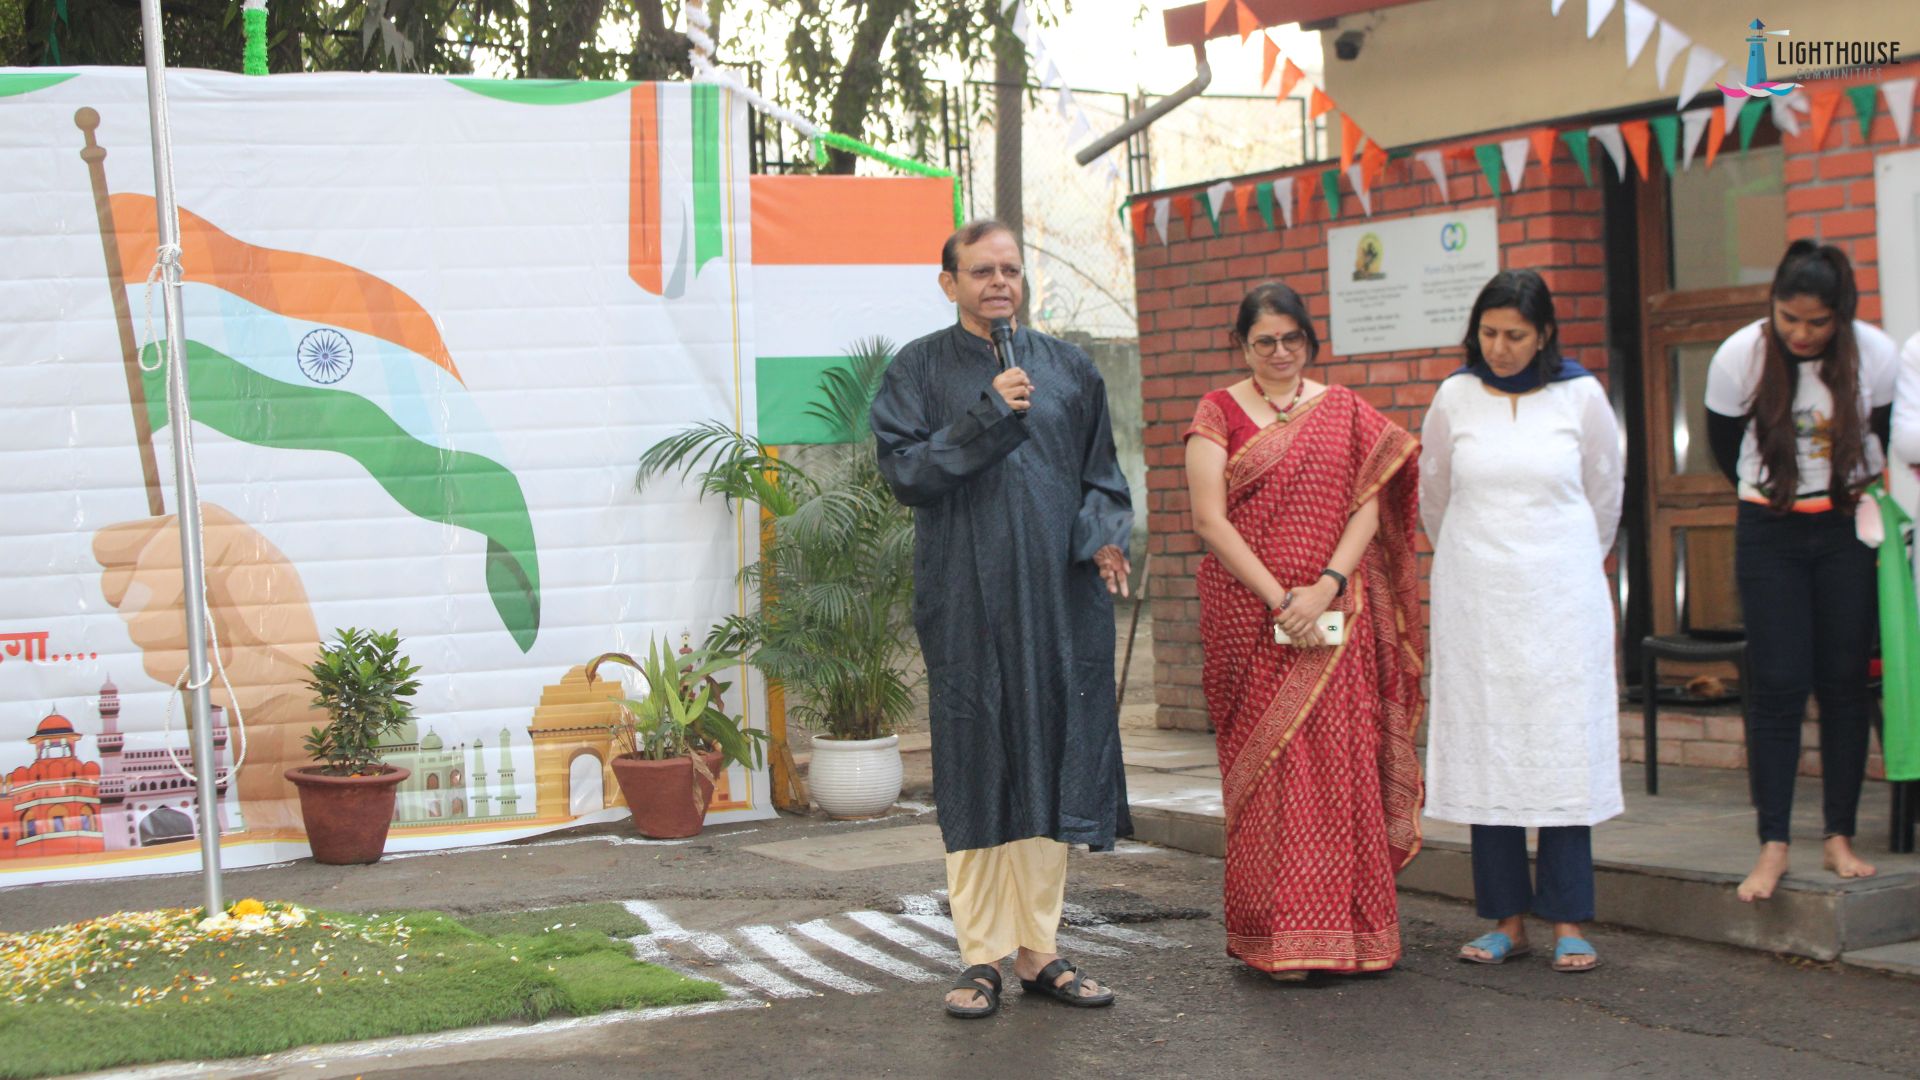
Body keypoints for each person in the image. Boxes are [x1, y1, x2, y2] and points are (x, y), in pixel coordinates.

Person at [869, 219, 1134, 1019]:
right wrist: (988, 412)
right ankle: (980, 955)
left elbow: (1103, 478)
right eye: (981, 271)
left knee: (1050, 762)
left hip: (1057, 603)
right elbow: (906, 473)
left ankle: (1039, 952)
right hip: (967, 602)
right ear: (948, 283)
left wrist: (1103, 538)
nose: (999, 284)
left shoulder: (1070, 369)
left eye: (1010, 270)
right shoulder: (918, 369)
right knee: (978, 764)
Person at [1181, 281, 1424, 980]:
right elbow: (1209, 519)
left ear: (1309, 341)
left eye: (1292, 339)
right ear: (1243, 345)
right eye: (1265, 341)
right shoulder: (1217, 412)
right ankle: (1278, 940)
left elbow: (1370, 503)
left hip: (1334, 616)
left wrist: (1326, 587)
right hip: (1251, 619)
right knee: (1271, 779)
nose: (1280, 352)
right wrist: (1281, 600)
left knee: (1340, 771)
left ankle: (1354, 935)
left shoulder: (1344, 412)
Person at [1420, 270, 1624, 973]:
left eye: (1515, 335)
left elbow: (1604, 493)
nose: (1499, 348)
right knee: (1492, 748)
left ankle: (1569, 917)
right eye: (1489, 333)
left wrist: (1562, 563)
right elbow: (1435, 495)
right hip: (1479, 600)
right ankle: (1506, 919)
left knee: (1561, 747)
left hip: (1561, 601)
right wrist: (1478, 560)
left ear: (1544, 336)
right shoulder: (1455, 396)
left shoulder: (1581, 395)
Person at [1703, 241, 1899, 902]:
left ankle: (1839, 836)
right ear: (1774, 306)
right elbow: (1724, 446)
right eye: (1789, 318)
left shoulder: (1874, 355)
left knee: (1843, 682)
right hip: (1770, 529)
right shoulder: (1740, 356)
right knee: (1779, 686)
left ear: (1841, 314)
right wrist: (1779, 493)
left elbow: (1882, 436)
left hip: (1846, 527)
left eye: (1817, 322)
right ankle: (1774, 844)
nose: (1802, 333)